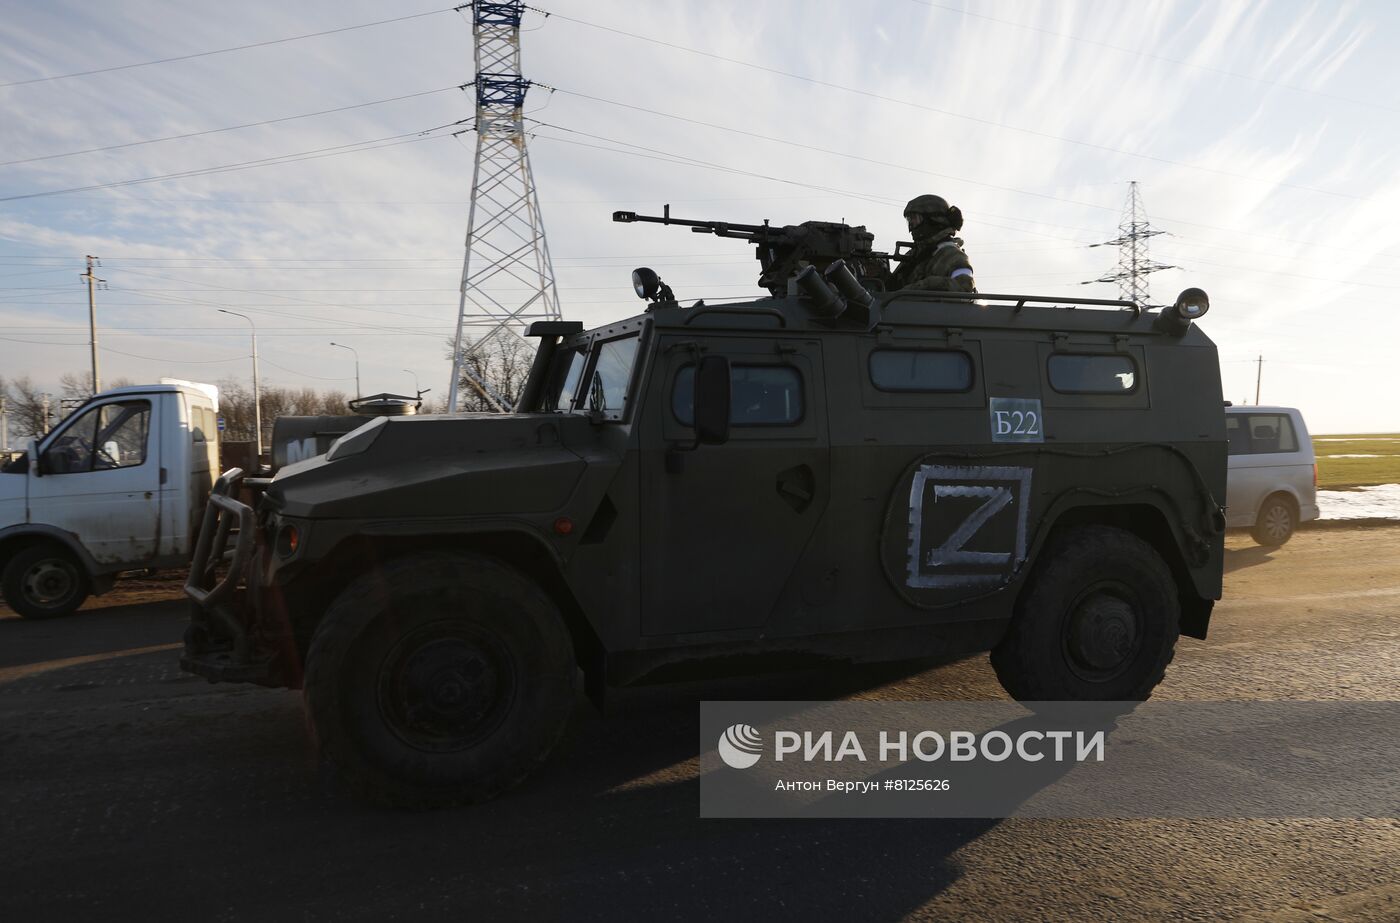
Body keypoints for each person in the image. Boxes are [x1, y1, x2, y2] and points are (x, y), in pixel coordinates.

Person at [890, 194, 976, 293]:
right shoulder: (915, 253)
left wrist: (923, 286)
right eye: (909, 220)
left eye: (915, 219)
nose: (911, 225)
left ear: (934, 220)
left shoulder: (952, 255)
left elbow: (965, 288)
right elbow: (892, 290)